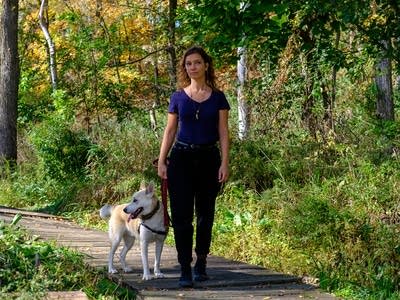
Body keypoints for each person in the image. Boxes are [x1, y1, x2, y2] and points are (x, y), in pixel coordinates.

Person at [157, 46, 230, 288]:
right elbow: (169, 131)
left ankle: (201, 262)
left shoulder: (218, 97)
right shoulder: (178, 97)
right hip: (181, 160)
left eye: (197, 63)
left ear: (206, 65)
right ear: (184, 68)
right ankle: (184, 267)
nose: (193, 67)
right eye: (188, 64)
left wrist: (225, 162)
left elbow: (223, 132)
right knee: (181, 216)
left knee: (205, 216)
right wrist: (161, 160)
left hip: (209, 160)